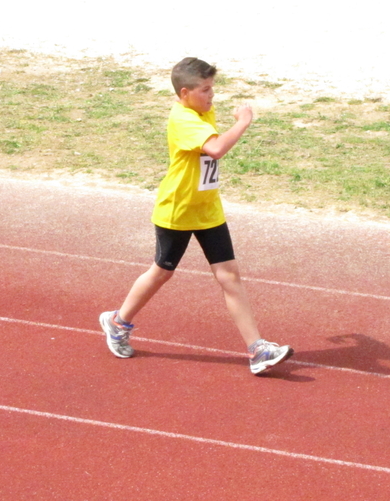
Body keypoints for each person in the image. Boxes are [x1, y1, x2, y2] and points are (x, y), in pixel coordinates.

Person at [99, 57, 293, 375]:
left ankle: (257, 349)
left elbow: (205, 139)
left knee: (229, 276)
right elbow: (215, 149)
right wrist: (243, 121)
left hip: (207, 210)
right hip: (178, 210)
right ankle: (117, 322)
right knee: (162, 272)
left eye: (213, 89)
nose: (211, 96)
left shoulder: (200, 109)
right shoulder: (184, 119)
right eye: (205, 90)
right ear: (186, 93)